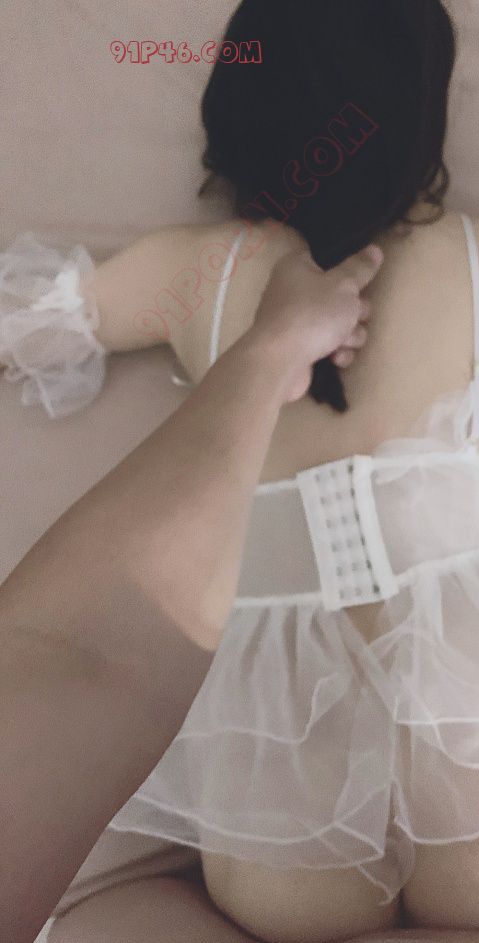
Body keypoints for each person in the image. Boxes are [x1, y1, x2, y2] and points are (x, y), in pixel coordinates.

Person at [1, 1, 479, 940]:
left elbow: (28, 324)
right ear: (425, 118)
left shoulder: (202, 275)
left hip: (286, 773)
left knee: (99, 915)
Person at [0, 244, 384, 943]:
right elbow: (80, 655)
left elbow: (29, 325)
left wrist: (269, 349)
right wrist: (271, 352)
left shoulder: (209, 263)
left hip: (273, 807)